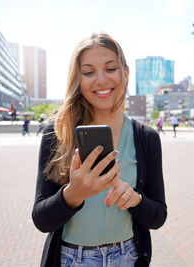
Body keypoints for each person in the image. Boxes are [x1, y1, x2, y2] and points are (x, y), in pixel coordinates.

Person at [32, 33, 167, 267]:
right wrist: (74, 193)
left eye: (111, 68)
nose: (101, 80)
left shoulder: (147, 138)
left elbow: (158, 216)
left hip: (129, 257)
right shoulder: (57, 133)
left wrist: (136, 200)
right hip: (71, 259)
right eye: (88, 72)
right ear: (78, 79)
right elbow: (41, 220)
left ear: (125, 72)